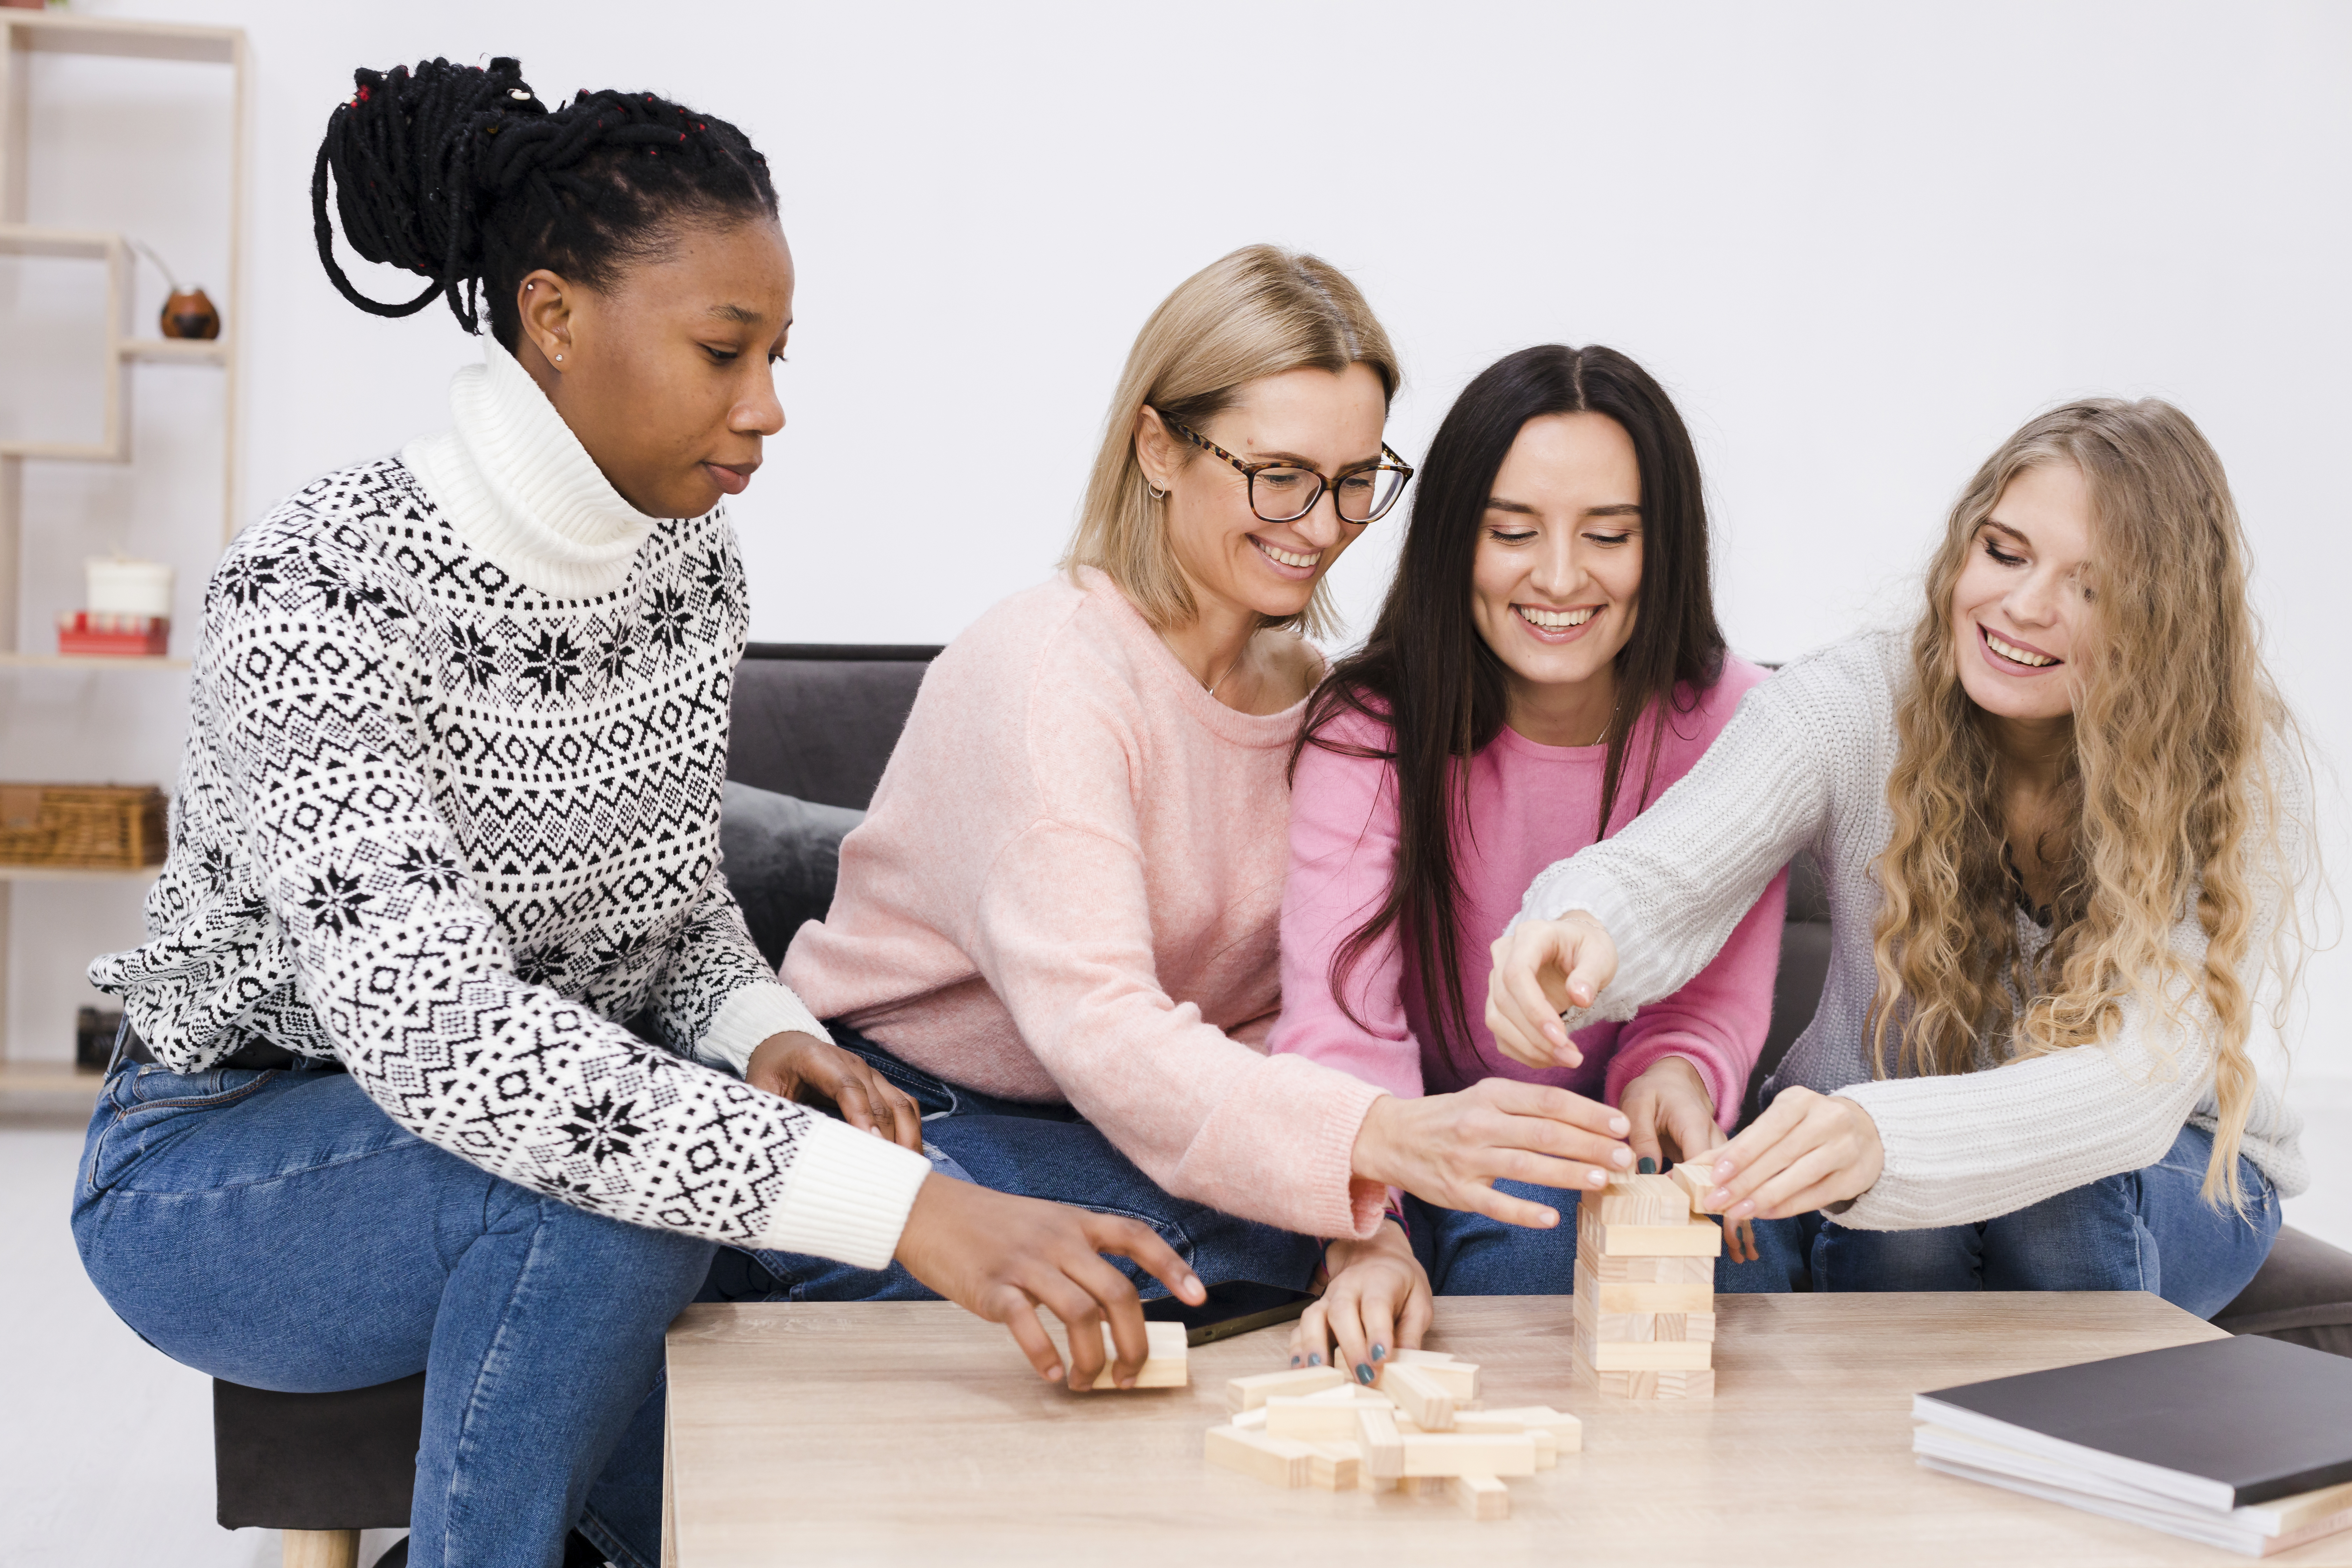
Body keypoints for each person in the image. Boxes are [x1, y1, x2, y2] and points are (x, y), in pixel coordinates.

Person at [73, 57, 1202, 1568]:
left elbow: (666, 912)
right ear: (554, 317)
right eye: (726, 350)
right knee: (608, 1195)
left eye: (781, 355)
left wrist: (761, 1032)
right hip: (225, 1163)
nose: (770, 408)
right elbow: (449, 1039)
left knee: (799, 1211)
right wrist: (910, 1211)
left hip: (520, 1121)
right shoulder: (317, 595)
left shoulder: (690, 574)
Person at [772, 249, 1643, 1322]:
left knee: (1474, 1215)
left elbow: (1309, 1017)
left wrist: (1368, 1238)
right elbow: (1104, 1028)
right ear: (1158, 448)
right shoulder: (1053, 673)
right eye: (1278, 475)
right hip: (915, 1110)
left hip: (1125, 1121)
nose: (1323, 526)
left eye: (1356, 480)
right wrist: (1366, 1162)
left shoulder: (1331, 708)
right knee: (1190, 1245)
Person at [1486, 398, 2310, 1312]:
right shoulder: (1857, 701)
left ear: (2165, 622)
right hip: (1897, 1193)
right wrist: (1576, 926)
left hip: (2173, 1176)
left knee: (2053, 1205)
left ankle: (2096, 1441)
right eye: (2003, 553)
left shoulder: (2234, 766)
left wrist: (1878, 1133)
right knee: (1893, 1227)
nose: (2024, 607)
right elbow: (1667, 867)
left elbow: (2136, 1087)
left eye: (2093, 587)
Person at [1268, 345, 1791, 1366]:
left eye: (1609, 536)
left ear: (1665, 546)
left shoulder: (1740, 720)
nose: (1558, 578)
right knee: (1524, 1247)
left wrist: (1675, 1077)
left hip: (1619, 1150)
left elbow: (1704, 998)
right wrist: (1369, 1242)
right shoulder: (1369, 729)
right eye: (1512, 533)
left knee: (1744, 1274)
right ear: (1455, 539)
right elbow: (1340, 1025)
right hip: (1432, 1150)